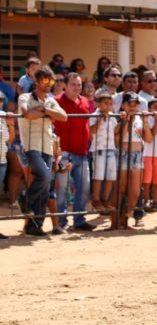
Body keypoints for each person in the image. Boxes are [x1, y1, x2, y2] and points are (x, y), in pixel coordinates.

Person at [18, 66, 68, 236]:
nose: (49, 84)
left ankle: (35, 225)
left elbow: (63, 116)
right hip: (31, 145)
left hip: (47, 145)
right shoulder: (25, 96)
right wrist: (45, 114)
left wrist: (44, 110)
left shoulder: (50, 100)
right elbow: (27, 113)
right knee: (45, 177)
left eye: (51, 81)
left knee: (46, 186)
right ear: (36, 81)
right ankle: (25, 197)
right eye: (45, 80)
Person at [53, 72, 97, 231]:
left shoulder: (85, 101)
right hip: (64, 152)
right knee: (62, 189)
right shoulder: (56, 101)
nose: (77, 87)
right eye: (73, 84)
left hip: (81, 151)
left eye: (79, 85)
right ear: (65, 85)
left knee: (84, 187)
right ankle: (61, 222)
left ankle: (79, 220)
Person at [113, 92, 152, 229]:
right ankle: (118, 221)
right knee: (121, 190)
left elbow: (148, 139)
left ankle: (126, 216)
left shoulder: (140, 120)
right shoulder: (119, 119)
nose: (133, 107)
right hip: (123, 153)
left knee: (135, 192)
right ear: (123, 105)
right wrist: (126, 121)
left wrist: (146, 122)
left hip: (137, 155)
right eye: (130, 104)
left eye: (135, 104)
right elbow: (119, 140)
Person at [89, 91, 118, 211]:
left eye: (110, 104)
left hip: (111, 148)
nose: (108, 106)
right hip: (99, 148)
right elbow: (92, 131)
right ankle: (96, 199)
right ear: (98, 104)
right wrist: (100, 120)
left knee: (111, 175)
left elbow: (116, 131)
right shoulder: (93, 116)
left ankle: (105, 199)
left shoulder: (112, 116)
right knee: (99, 175)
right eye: (105, 103)